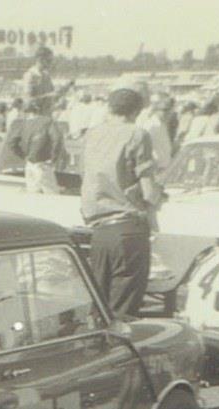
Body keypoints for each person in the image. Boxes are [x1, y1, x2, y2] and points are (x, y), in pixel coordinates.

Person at [80, 86, 164, 319]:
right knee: (122, 314)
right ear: (137, 111)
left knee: (99, 310)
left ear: (109, 108)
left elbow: (84, 176)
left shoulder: (92, 135)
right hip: (128, 229)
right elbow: (149, 192)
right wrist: (159, 194)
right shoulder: (137, 134)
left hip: (99, 231)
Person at [8, 97, 64, 194]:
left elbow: (11, 142)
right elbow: (57, 139)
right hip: (43, 162)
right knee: (52, 195)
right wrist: (54, 158)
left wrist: (23, 155)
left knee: (33, 196)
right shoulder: (47, 122)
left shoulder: (24, 123)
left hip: (29, 163)